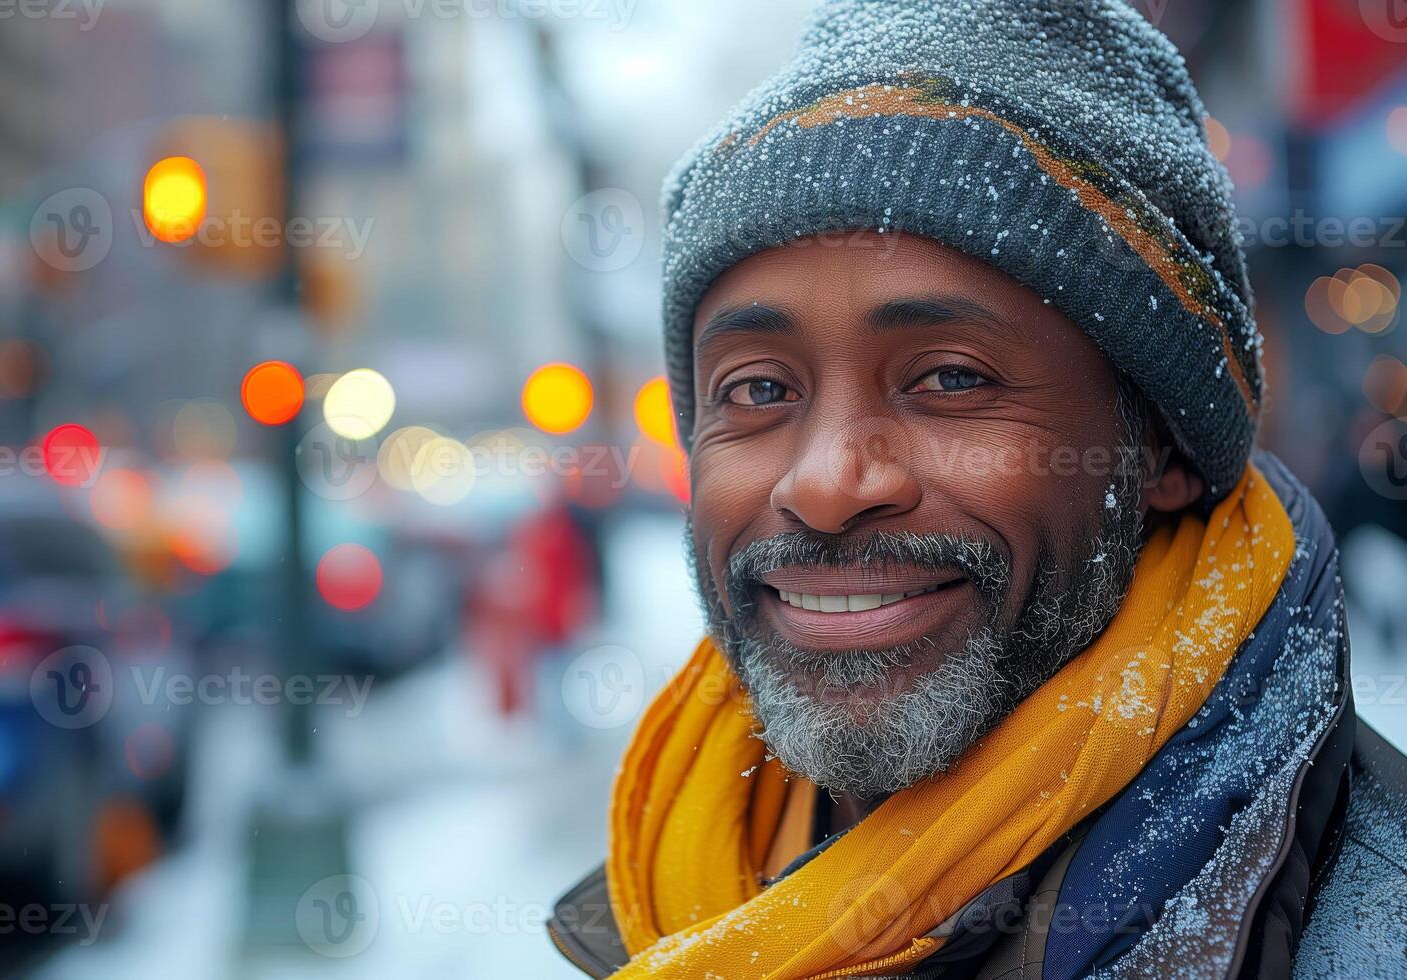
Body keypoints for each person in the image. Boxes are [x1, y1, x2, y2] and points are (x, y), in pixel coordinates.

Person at [548, 1, 1407, 976]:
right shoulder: (659, 897)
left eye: (951, 377)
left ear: (1162, 444)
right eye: (759, 388)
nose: (827, 482)